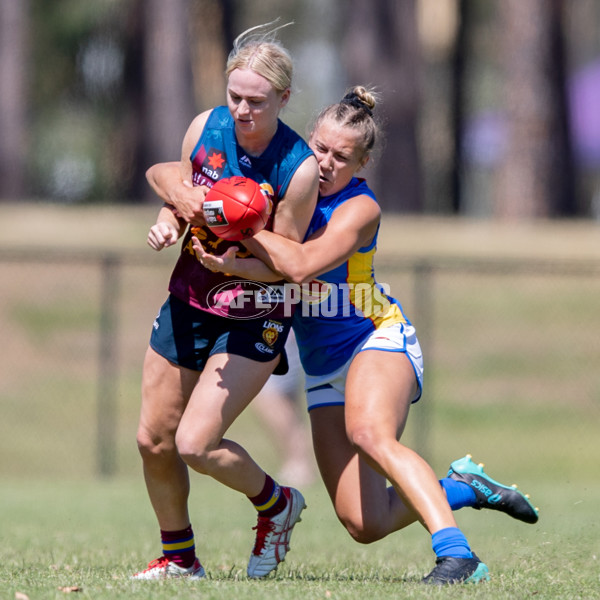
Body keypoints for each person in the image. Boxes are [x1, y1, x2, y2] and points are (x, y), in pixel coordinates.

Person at [192, 85, 540, 585]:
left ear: (362, 164)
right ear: (307, 142)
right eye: (320, 150)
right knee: (364, 522)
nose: (328, 164)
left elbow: (303, 264)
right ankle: (462, 486)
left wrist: (240, 224)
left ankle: (460, 558)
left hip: (375, 338)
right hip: (322, 365)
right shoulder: (284, 192)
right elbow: (181, 186)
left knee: (369, 434)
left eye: (342, 157)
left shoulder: (360, 209)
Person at [133, 21, 319, 580]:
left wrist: (238, 258)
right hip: (189, 299)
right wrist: (170, 221)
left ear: (283, 99)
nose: (242, 110)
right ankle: (179, 559)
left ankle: (277, 504)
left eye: (257, 101)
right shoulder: (205, 127)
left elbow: (286, 265)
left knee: (195, 442)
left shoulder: (298, 167)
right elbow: (178, 189)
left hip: (252, 312)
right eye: (234, 96)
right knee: (153, 439)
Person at [251, 330, 316, 488]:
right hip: (284, 329)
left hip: (276, 331)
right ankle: (299, 463)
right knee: (286, 400)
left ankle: (298, 463)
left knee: (266, 395)